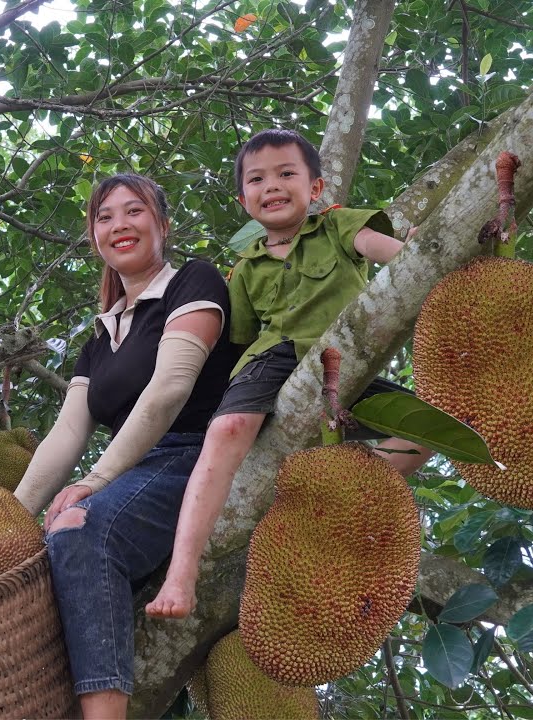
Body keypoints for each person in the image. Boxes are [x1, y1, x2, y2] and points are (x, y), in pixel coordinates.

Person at [146, 128, 435, 620]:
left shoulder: (340, 226)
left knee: (426, 431)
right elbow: (231, 344)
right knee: (228, 428)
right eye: (257, 179)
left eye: (286, 174)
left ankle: (334, 508)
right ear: (244, 200)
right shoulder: (245, 268)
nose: (272, 186)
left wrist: (416, 249)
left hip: (342, 361)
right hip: (268, 360)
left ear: (316, 189)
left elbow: (390, 253)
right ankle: (181, 573)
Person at [13, 173, 239, 719]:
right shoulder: (100, 338)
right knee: (41, 556)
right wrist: (11, 517)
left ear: (161, 224)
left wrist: (95, 481)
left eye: (133, 212)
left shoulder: (194, 281)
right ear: (94, 236)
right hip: (139, 472)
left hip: (196, 452)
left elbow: (170, 389)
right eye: (104, 216)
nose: (119, 225)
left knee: (81, 530)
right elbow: (66, 434)